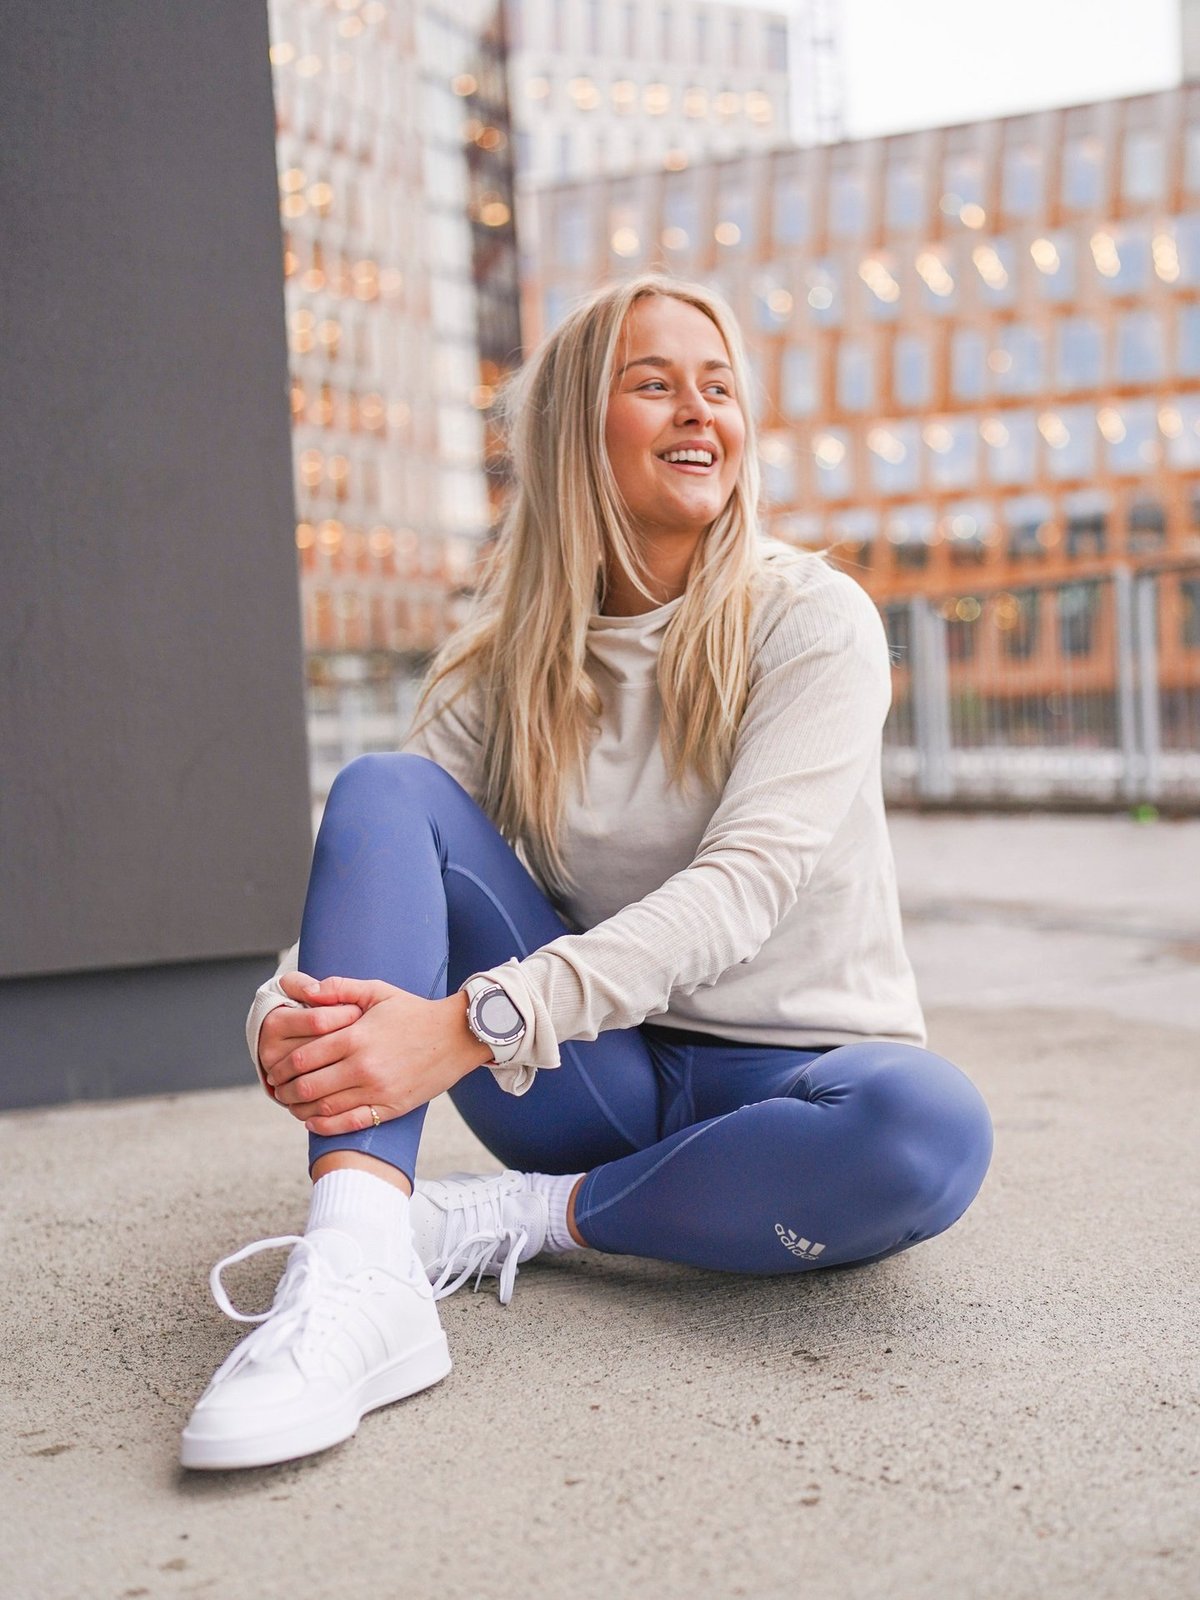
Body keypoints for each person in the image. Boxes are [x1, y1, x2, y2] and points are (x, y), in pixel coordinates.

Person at [180, 274, 993, 1471]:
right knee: (383, 790)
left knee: (929, 1126)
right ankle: (356, 1272)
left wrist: (475, 1020)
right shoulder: (495, 670)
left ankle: (519, 1219)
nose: (699, 413)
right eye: (654, 383)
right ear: (572, 431)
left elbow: (741, 890)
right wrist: (286, 1021)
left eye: (718, 388)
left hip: (799, 1078)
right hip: (592, 1083)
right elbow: (391, 861)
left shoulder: (810, 621)